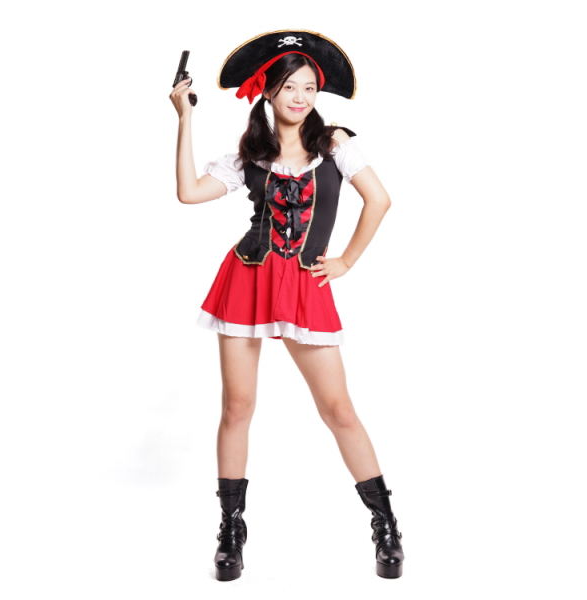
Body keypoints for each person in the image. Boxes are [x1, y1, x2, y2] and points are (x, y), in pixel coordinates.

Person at [170, 30, 405, 581]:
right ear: (268, 92)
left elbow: (380, 199)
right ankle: (231, 531)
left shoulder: (335, 143)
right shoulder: (250, 154)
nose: (299, 97)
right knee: (237, 407)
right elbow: (188, 192)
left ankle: (386, 525)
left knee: (338, 410)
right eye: (289, 86)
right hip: (247, 280)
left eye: (308, 88)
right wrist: (184, 118)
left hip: (304, 284)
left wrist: (345, 261)